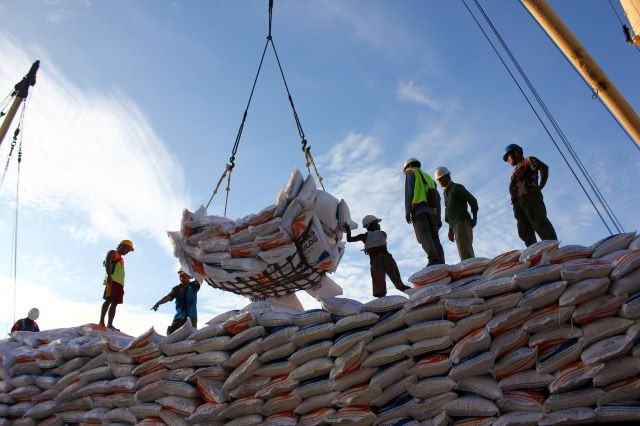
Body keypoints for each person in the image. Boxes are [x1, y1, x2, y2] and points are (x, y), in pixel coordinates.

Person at [504, 144, 558, 246]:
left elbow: (544, 168)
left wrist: (540, 186)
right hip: (518, 202)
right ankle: (533, 250)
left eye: (508, 157)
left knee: (539, 222)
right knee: (524, 229)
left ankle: (552, 247)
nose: (507, 160)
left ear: (516, 153)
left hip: (530, 197)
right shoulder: (515, 170)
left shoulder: (528, 161)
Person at [345, 215, 410, 297]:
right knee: (394, 283)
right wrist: (368, 248)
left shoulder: (364, 236)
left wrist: (348, 229)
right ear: (369, 225)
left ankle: (383, 297)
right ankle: (405, 290)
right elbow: (376, 241)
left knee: (380, 286)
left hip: (377, 261)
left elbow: (349, 239)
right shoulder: (382, 233)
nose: (379, 225)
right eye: (376, 223)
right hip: (385, 259)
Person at [404, 157, 445, 265]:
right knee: (434, 236)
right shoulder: (428, 177)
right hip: (431, 211)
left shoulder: (410, 173)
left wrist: (408, 211)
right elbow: (437, 197)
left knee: (423, 235)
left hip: (419, 210)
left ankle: (433, 259)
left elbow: (409, 192)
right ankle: (440, 260)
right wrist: (438, 216)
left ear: (408, 166)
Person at [434, 166, 479, 261]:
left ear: (447, 177)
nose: (439, 182)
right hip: (455, 225)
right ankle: (470, 271)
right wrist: (450, 230)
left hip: (462, 222)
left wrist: (474, 219)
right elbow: (449, 213)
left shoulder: (456, 188)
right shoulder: (446, 193)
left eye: (441, 180)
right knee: (463, 253)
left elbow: (473, 201)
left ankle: (473, 272)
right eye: (438, 180)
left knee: (466, 253)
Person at [152, 268, 202, 334]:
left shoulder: (193, 286)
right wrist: (158, 303)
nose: (181, 279)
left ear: (188, 277)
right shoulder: (176, 288)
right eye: (180, 277)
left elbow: (198, 277)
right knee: (170, 335)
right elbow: (168, 297)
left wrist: (194, 269)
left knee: (190, 337)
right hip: (179, 318)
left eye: (183, 276)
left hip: (191, 318)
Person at [99, 239, 135, 331]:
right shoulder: (112, 253)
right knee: (108, 300)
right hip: (112, 280)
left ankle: (110, 324)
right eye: (127, 249)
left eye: (129, 251)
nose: (127, 252)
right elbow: (107, 264)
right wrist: (109, 276)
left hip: (119, 283)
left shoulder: (121, 259)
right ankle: (101, 322)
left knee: (115, 303)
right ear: (122, 246)